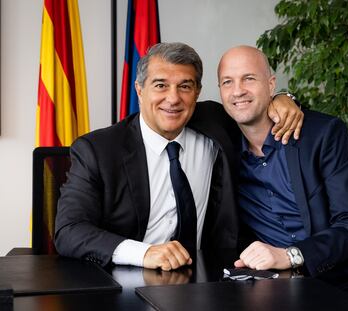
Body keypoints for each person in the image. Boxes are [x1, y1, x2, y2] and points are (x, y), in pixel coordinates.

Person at [54, 42, 303, 272]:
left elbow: (253, 106)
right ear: (139, 90)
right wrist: (144, 253)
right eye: (160, 85)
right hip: (127, 279)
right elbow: (69, 231)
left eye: (184, 86)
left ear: (197, 92)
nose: (173, 99)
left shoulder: (216, 123)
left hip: (207, 279)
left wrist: (284, 99)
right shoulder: (98, 150)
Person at [217, 45, 348, 311]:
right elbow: (175, 107)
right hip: (284, 289)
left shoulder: (322, 135)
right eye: (228, 82)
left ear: (271, 84)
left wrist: (291, 255)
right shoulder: (222, 141)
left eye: (249, 78)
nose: (238, 90)